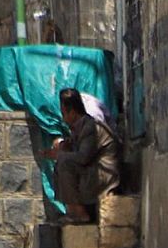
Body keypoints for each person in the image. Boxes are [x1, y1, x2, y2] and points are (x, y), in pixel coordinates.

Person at [42, 87, 121, 224]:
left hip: (103, 175)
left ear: (72, 112)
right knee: (63, 160)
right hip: (93, 171)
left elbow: (83, 157)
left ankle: (79, 213)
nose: (63, 117)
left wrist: (59, 155)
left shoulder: (91, 127)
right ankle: (71, 210)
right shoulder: (80, 127)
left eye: (64, 112)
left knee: (64, 162)